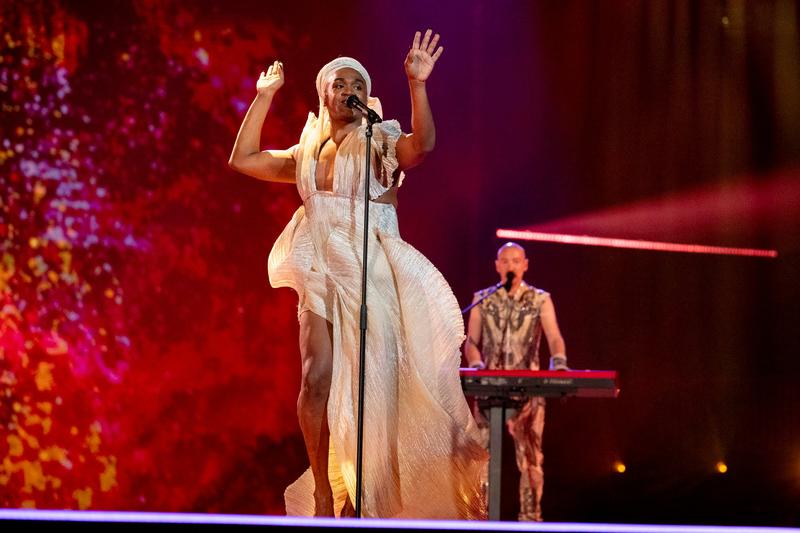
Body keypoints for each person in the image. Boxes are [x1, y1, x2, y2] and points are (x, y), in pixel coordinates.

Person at [228, 30, 487, 519]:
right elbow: (243, 160)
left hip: (371, 270)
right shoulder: (305, 153)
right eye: (337, 81)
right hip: (320, 266)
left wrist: (417, 85)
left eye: (356, 82)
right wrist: (263, 99)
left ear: (367, 95)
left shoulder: (379, 138)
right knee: (316, 378)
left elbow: (423, 147)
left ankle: (379, 497)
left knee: (382, 387)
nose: (347, 88)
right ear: (323, 92)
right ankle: (325, 491)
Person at [464, 242, 568, 522]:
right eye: (505, 260)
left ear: (525, 264)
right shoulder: (482, 299)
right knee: (482, 458)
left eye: (516, 260)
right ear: (497, 265)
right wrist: (476, 365)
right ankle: (480, 519)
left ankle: (531, 519)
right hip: (489, 389)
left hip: (528, 391)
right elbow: (471, 341)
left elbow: (554, 336)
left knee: (531, 459)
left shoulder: (540, 299)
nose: (511, 265)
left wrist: (558, 361)